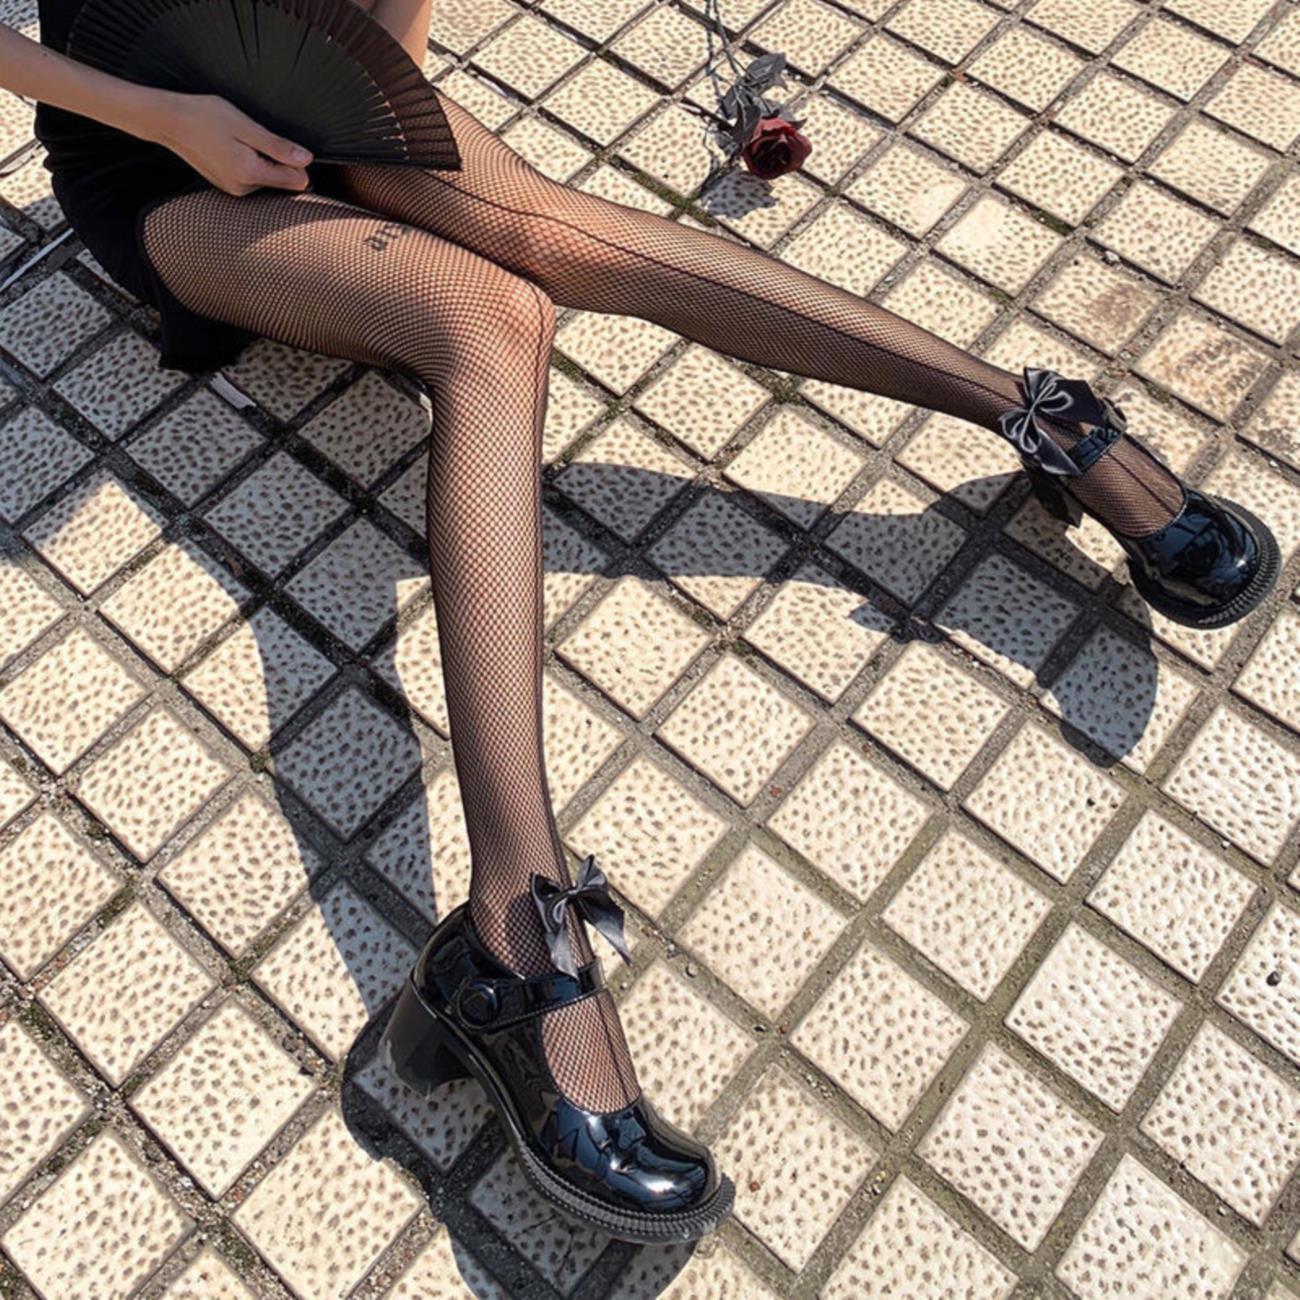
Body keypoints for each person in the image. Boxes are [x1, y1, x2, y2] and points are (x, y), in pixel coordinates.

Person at [7, 0, 1279, 1246]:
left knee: (548, 230)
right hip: (153, 149)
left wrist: (376, 87)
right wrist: (166, 118)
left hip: (317, 80)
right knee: (491, 318)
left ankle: (1024, 410)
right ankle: (513, 933)